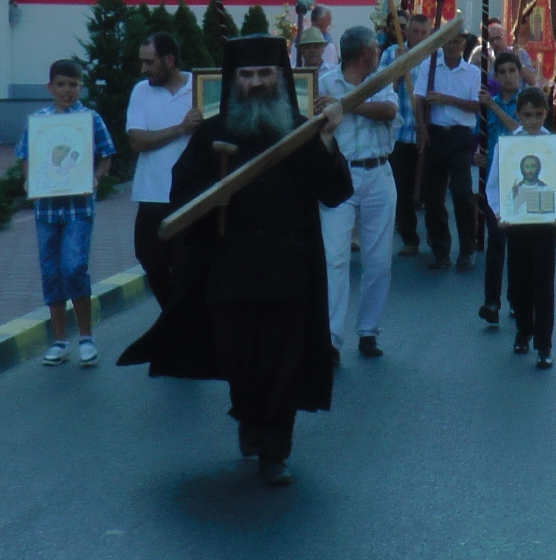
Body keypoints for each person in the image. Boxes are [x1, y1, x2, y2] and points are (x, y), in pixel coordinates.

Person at [118, 36, 350, 486]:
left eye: (266, 74)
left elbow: (336, 192)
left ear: (280, 78)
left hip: (289, 266)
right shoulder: (211, 133)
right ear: (233, 81)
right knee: (241, 358)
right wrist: (209, 203)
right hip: (230, 268)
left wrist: (326, 139)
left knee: (283, 361)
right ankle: (248, 415)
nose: (257, 83)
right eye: (247, 75)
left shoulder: (302, 131)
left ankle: (274, 450)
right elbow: (181, 195)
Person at [17, 59, 117, 367]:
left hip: (78, 208)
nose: (66, 90)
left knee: (74, 267)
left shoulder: (89, 119)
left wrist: (97, 177)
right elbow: (26, 156)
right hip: (46, 210)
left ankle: (85, 337)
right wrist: (29, 178)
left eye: (73, 84)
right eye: (60, 84)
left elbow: (106, 155)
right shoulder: (39, 121)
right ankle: (60, 341)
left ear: (80, 87)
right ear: (50, 87)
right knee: (52, 273)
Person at [318, 25, 398, 359]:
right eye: (375, 49)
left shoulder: (381, 79)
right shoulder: (324, 83)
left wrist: (345, 105)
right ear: (364, 53)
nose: (378, 53)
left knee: (378, 260)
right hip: (339, 173)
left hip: (378, 171)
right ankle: (332, 338)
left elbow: (389, 111)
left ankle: (368, 331)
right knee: (334, 257)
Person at [487, 86, 556, 368]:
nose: (533, 121)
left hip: (546, 223)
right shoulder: (509, 146)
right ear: (518, 115)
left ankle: (544, 344)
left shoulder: (552, 146)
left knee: (543, 282)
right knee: (519, 279)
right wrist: (501, 213)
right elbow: (496, 184)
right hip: (517, 222)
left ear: (546, 114)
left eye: (538, 115)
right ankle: (524, 331)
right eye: (527, 115)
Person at [126, 32, 199, 304]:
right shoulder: (141, 91)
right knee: (150, 258)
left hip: (190, 195)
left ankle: (182, 325)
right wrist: (181, 129)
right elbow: (136, 140)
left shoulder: (200, 88)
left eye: (149, 62)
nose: (143, 69)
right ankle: (173, 317)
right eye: (142, 62)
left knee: (187, 263)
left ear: (169, 60)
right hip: (151, 194)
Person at [411, 25, 483, 270]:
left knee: (462, 193)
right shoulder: (428, 67)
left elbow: (475, 106)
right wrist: (420, 126)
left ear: (463, 45)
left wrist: (445, 99)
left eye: (456, 42)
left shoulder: (473, 72)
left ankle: (467, 249)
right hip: (435, 134)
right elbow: (419, 99)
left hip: (460, 136)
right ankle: (441, 250)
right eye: (448, 42)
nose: (451, 46)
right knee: (433, 195)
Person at [477, 51, 524, 326]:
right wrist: (479, 157)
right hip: (494, 181)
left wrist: (494, 109)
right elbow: (479, 139)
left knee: (516, 244)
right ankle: (491, 301)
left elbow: (521, 132)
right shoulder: (487, 105)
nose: (507, 76)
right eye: (502, 72)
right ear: (495, 76)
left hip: (520, 181)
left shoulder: (526, 103)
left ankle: (516, 299)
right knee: (495, 241)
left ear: (519, 73)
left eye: (512, 71)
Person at [380, 12, 430, 257]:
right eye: (415, 32)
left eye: (424, 33)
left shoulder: (435, 56)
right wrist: (398, 72)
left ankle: (437, 239)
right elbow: (381, 91)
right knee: (402, 188)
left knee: (429, 188)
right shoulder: (391, 54)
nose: (419, 37)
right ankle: (410, 237)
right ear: (406, 32)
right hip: (400, 132)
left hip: (427, 130)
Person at [310, 6, 339, 70]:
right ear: (319, 22)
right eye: (329, 20)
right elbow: (330, 70)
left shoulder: (297, 40)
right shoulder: (328, 45)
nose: (330, 23)